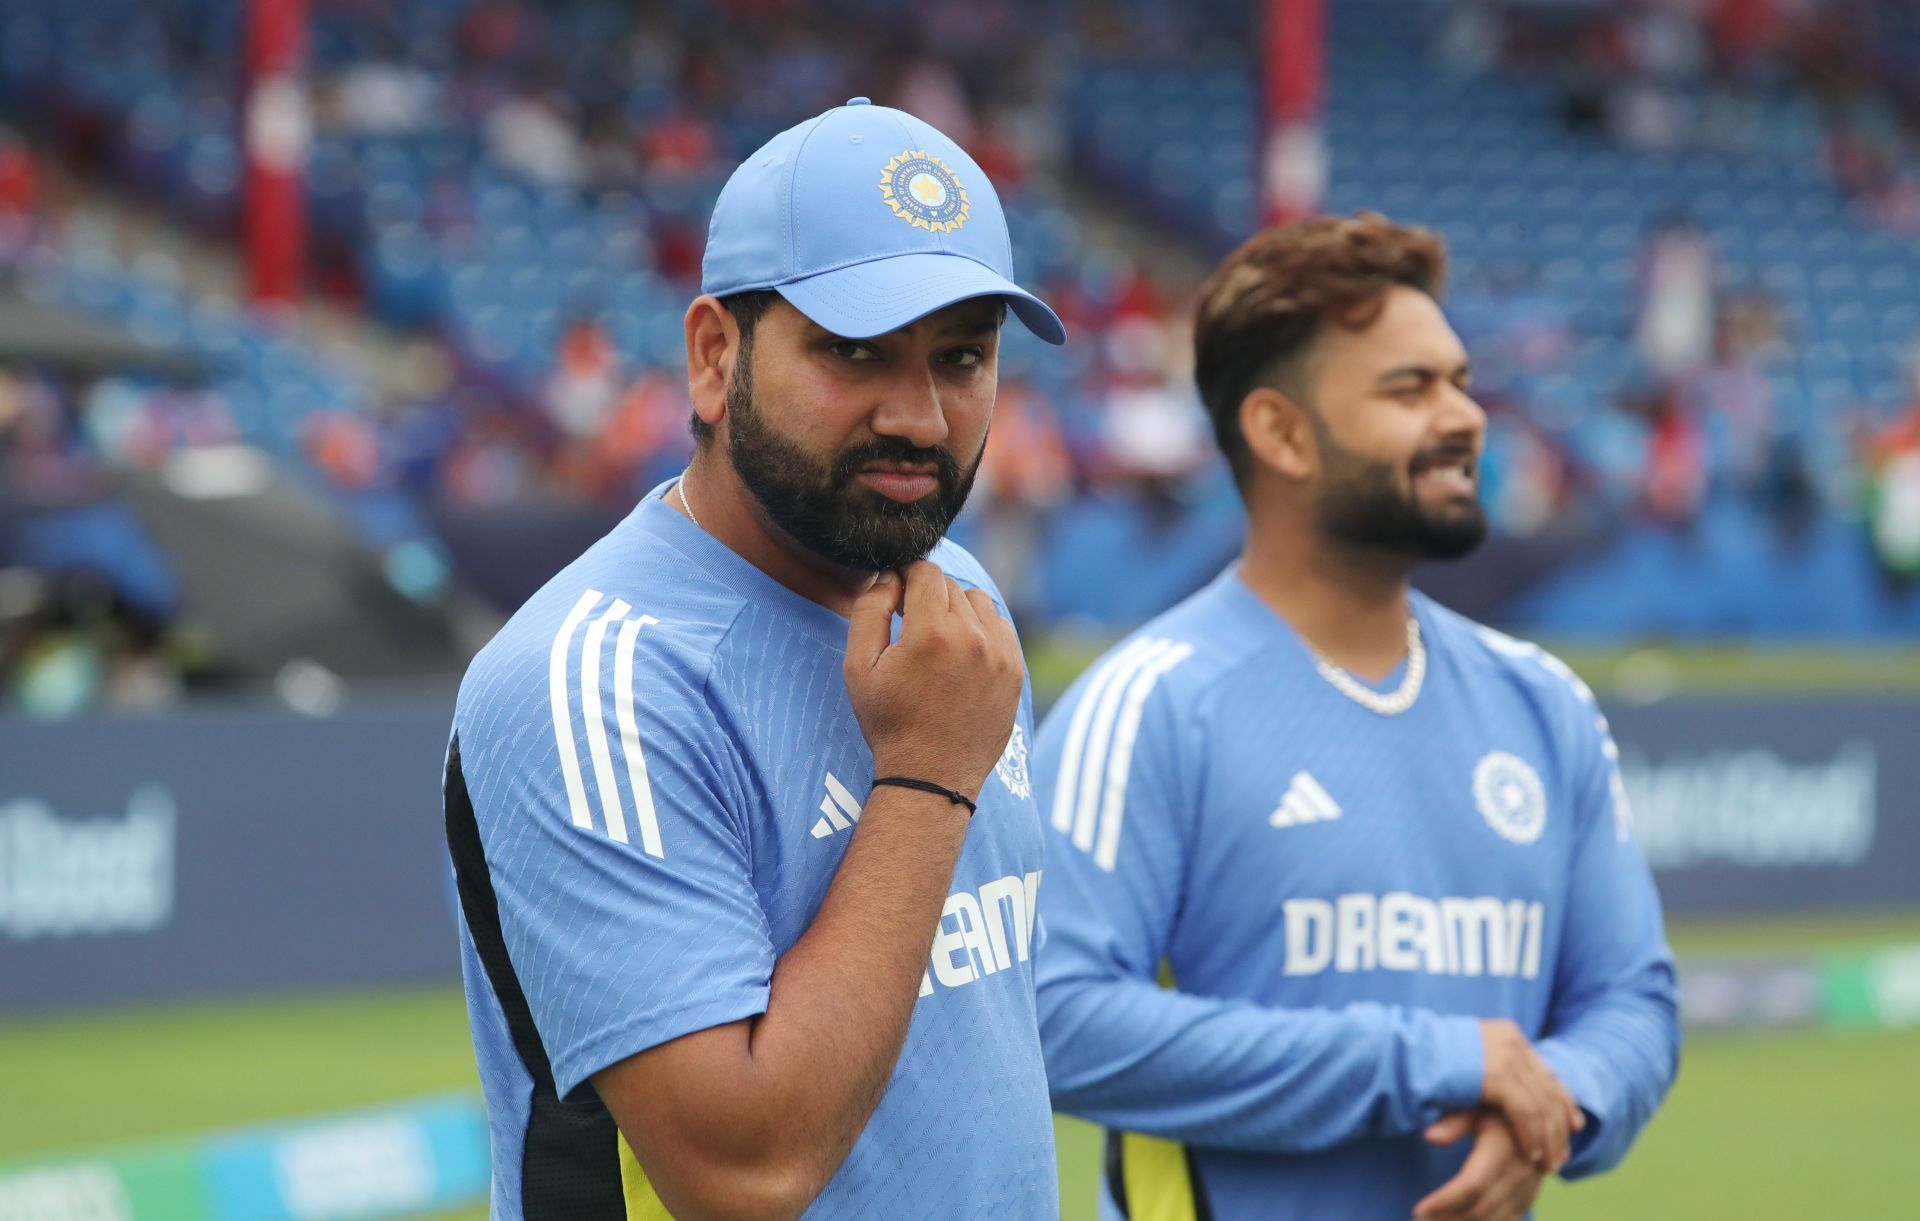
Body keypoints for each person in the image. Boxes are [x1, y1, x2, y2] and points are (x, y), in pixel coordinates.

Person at [444, 98, 1068, 1219]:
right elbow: (744, 1173)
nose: (921, 417)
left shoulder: (958, 607)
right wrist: (925, 777)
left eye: (963, 357)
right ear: (714, 355)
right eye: (856, 352)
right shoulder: (594, 679)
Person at [1033, 213, 1679, 1220]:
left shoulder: (1543, 704)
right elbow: (1052, 1018)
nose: (1463, 417)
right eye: (1409, 389)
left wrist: (1557, 1101)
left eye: (1461, 381)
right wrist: (1429, 1062)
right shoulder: (1150, 705)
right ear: (1280, 432)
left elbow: (1632, 1003)